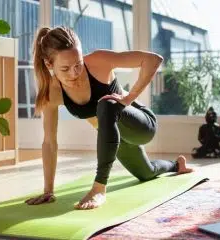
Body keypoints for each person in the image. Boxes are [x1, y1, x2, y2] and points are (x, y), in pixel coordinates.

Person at [25, 26, 193, 210]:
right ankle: (177, 165)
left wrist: (128, 98)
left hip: (141, 125)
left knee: (105, 104)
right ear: (49, 65)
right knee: (146, 173)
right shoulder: (52, 92)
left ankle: (99, 188)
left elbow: (153, 60)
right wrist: (48, 190)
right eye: (65, 68)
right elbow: (49, 142)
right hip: (113, 138)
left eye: (78, 64)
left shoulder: (98, 61)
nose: (74, 73)